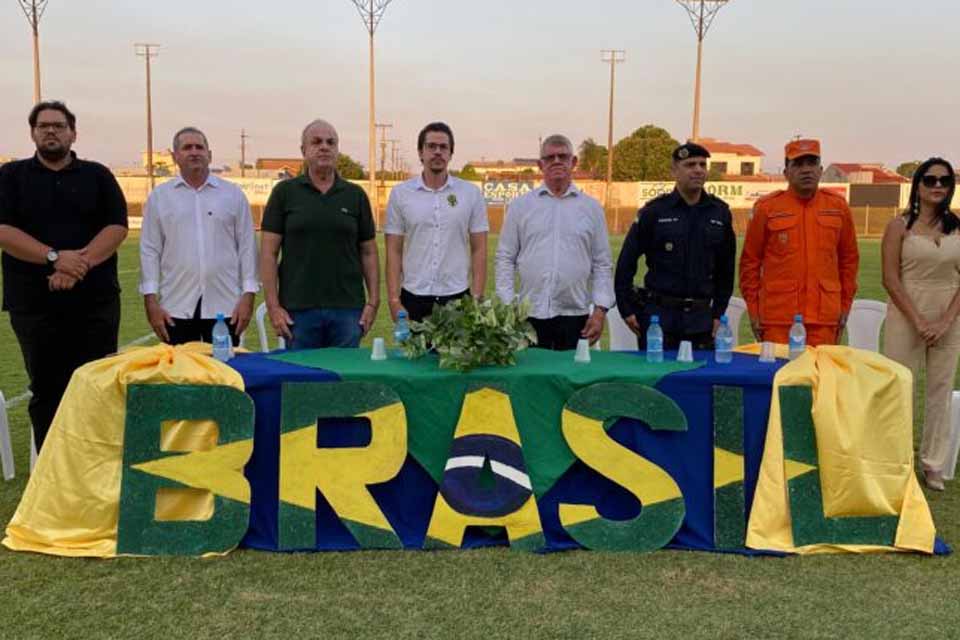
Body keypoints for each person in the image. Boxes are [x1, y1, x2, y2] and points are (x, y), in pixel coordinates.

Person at [0, 100, 128, 450]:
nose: (51, 131)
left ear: (73, 133)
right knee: (47, 390)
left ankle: (98, 465)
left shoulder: (98, 175)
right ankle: (53, 471)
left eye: (58, 125)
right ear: (33, 134)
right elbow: (3, 231)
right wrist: (54, 258)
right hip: (35, 306)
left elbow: (116, 227)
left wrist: (77, 265)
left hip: (95, 303)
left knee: (99, 385)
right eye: (44, 126)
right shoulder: (10, 177)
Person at [259, 119, 379, 349]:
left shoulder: (355, 195)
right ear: (304, 151)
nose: (324, 146)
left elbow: (369, 253)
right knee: (302, 382)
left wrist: (373, 303)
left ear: (337, 150)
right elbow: (268, 254)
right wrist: (273, 307)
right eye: (316, 142)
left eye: (330, 142)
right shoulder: (284, 193)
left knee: (343, 381)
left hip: (348, 311)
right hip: (298, 311)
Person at [881, 157, 960, 491]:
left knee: (940, 391)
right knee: (901, 388)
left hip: (949, 317)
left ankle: (933, 464)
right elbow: (889, 278)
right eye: (930, 180)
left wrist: (944, 320)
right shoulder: (899, 226)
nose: (937, 186)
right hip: (905, 312)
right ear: (918, 185)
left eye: (944, 181)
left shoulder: (958, 227)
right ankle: (897, 460)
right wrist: (918, 320)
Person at [139, 127, 258, 346]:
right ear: (175, 156)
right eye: (187, 147)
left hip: (226, 306)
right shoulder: (159, 198)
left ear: (209, 155)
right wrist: (151, 300)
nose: (194, 152)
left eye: (199, 147)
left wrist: (249, 295)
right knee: (181, 378)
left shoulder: (232, 195)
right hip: (175, 306)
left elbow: (247, 247)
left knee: (225, 375)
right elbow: (150, 250)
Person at [495, 134, 614, 350]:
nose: (557, 161)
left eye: (563, 156)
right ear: (541, 165)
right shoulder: (521, 207)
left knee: (572, 380)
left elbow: (602, 263)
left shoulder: (591, 208)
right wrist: (507, 305)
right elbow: (505, 258)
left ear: (573, 162)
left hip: (574, 315)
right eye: (550, 158)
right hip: (529, 315)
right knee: (530, 380)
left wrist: (599, 310)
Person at [614, 142, 736, 350]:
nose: (698, 170)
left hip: (702, 322)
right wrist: (626, 309)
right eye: (690, 165)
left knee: (698, 380)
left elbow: (726, 270)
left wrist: (718, 313)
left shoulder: (719, 213)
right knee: (657, 381)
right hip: (659, 321)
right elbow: (626, 262)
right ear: (674, 171)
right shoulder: (655, 212)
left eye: (701, 165)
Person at [739, 138, 859, 346]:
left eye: (811, 163)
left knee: (821, 377)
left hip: (824, 319)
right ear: (786, 172)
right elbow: (750, 262)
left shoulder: (838, 207)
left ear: (821, 170)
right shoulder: (767, 208)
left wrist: (844, 306)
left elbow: (849, 261)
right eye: (798, 164)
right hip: (778, 318)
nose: (806, 170)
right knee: (779, 377)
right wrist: (754, 309)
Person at [385, 122, 487, 322]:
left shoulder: (470, 194)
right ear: (420, 153)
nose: (437, 152)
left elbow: (479, 249)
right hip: (413, 297)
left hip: (457, 297)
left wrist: (476, 297)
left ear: (451, 154)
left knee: (458, 355)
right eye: (431, 146)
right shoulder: (401, 194)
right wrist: (394, 300)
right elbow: (393, 250)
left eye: (443, 147)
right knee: (414, 354)